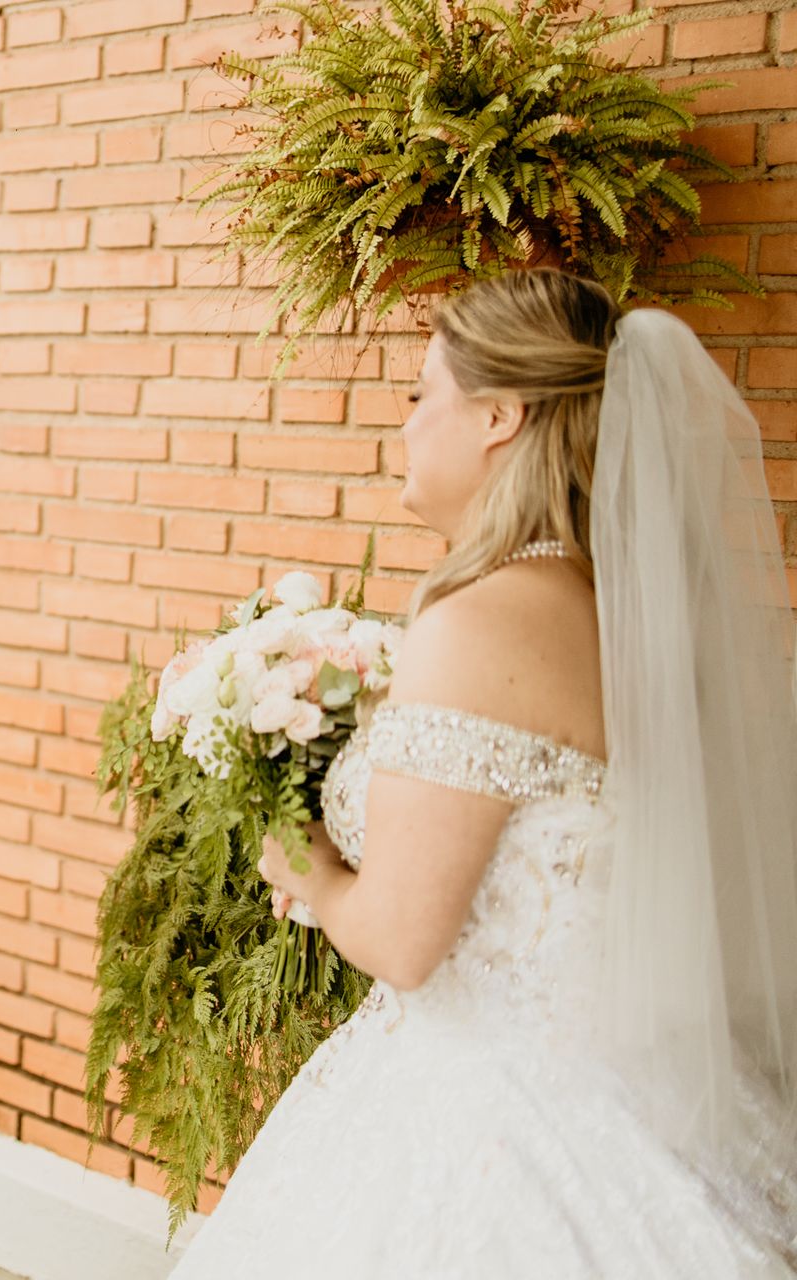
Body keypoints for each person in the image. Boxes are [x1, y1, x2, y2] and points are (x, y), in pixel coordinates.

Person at [174, 270, 797, 1276]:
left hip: (498, 1124)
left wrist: (305, 864)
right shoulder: (624, 616)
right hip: (648, 1093)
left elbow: (405, 941)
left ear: (500, 414)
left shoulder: (476, 621)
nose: (408, 420)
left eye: (424, 392)